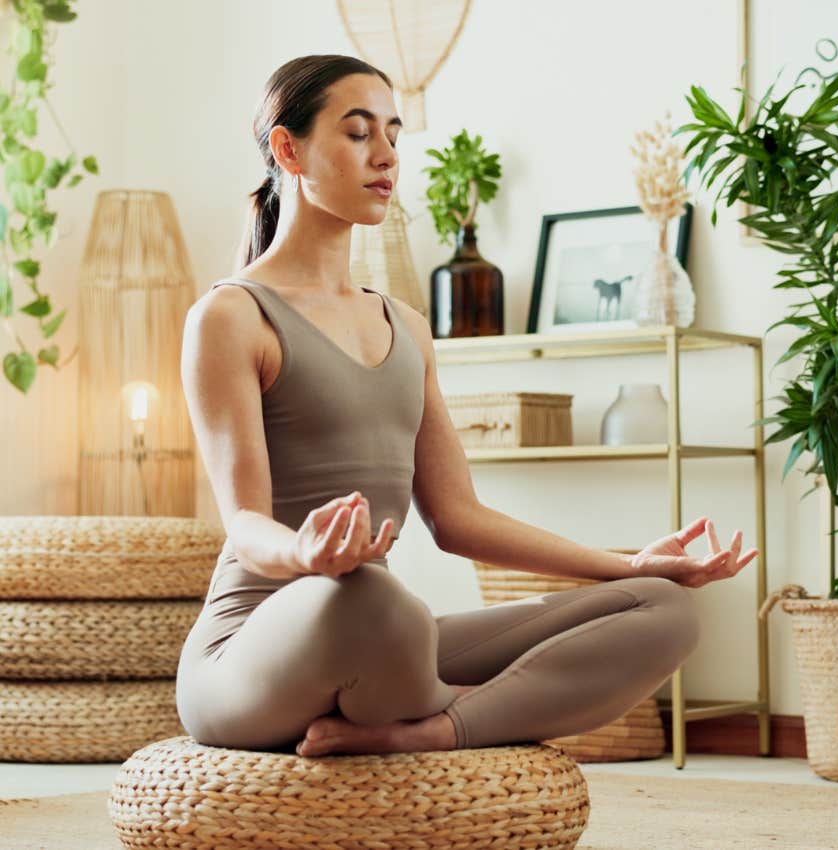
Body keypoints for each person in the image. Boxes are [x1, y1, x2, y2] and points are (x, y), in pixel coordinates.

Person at [175, 54, 759, 759]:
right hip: (249, 657)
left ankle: (437, 727)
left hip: (385, 639)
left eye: (393, 134)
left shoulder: (406, 325)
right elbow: (243, 525)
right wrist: (305, 552)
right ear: (288, 149)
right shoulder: (232, 316)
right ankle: (466, 703)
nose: (386, 155)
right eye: (358, 133)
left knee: (663, 608)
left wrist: (630, 565)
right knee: (373, 600)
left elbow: (458, 519)